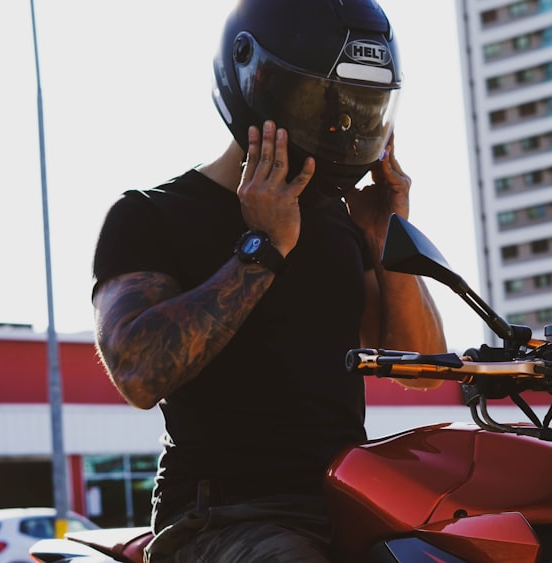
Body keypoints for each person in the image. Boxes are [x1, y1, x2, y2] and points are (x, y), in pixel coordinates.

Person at [90, 0, 446, 561]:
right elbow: (138, 371)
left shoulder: (343, 223)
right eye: (325, 103)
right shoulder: (150, 215)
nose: (342, 126)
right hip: (217, 519)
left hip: (347, 501)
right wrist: (263, 248)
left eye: (362, 107)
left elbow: (422, 367)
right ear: (261, 84)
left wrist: (385, 236)